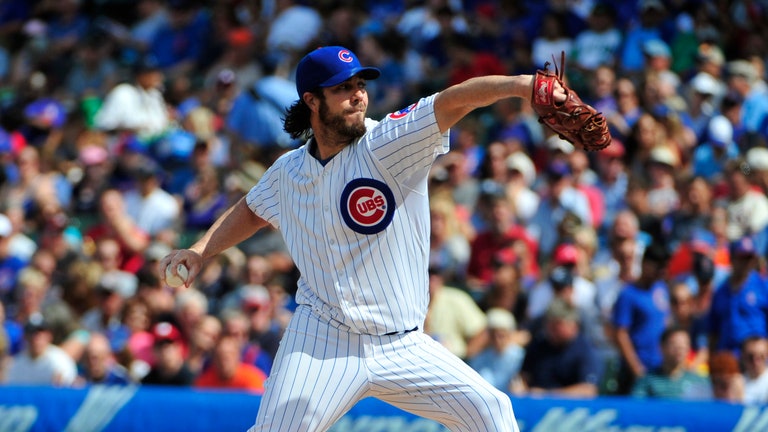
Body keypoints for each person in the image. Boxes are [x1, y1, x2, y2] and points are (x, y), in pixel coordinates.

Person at [160, 45, 556, 431]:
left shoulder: (387, 142)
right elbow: (252, 209)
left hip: (402, 343)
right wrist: (200, 250)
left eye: (360, 85)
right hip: (321, 337)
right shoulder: (289, 171)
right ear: (312, 100)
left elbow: (452, 101)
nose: (357, 96)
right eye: (343, 88)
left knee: (490, 410)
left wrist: (522, 84)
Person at [630, 326, 710, 400]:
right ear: (661, 347)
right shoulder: (647, 381)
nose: (680, 349)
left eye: (684, 345)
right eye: (674, 344)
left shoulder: (698, 381)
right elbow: (637, 408)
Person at [741, 336, 768, 405]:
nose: (756, 362)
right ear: (743, 357)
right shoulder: (737, 382)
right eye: (750, 357)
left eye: (761, 356)